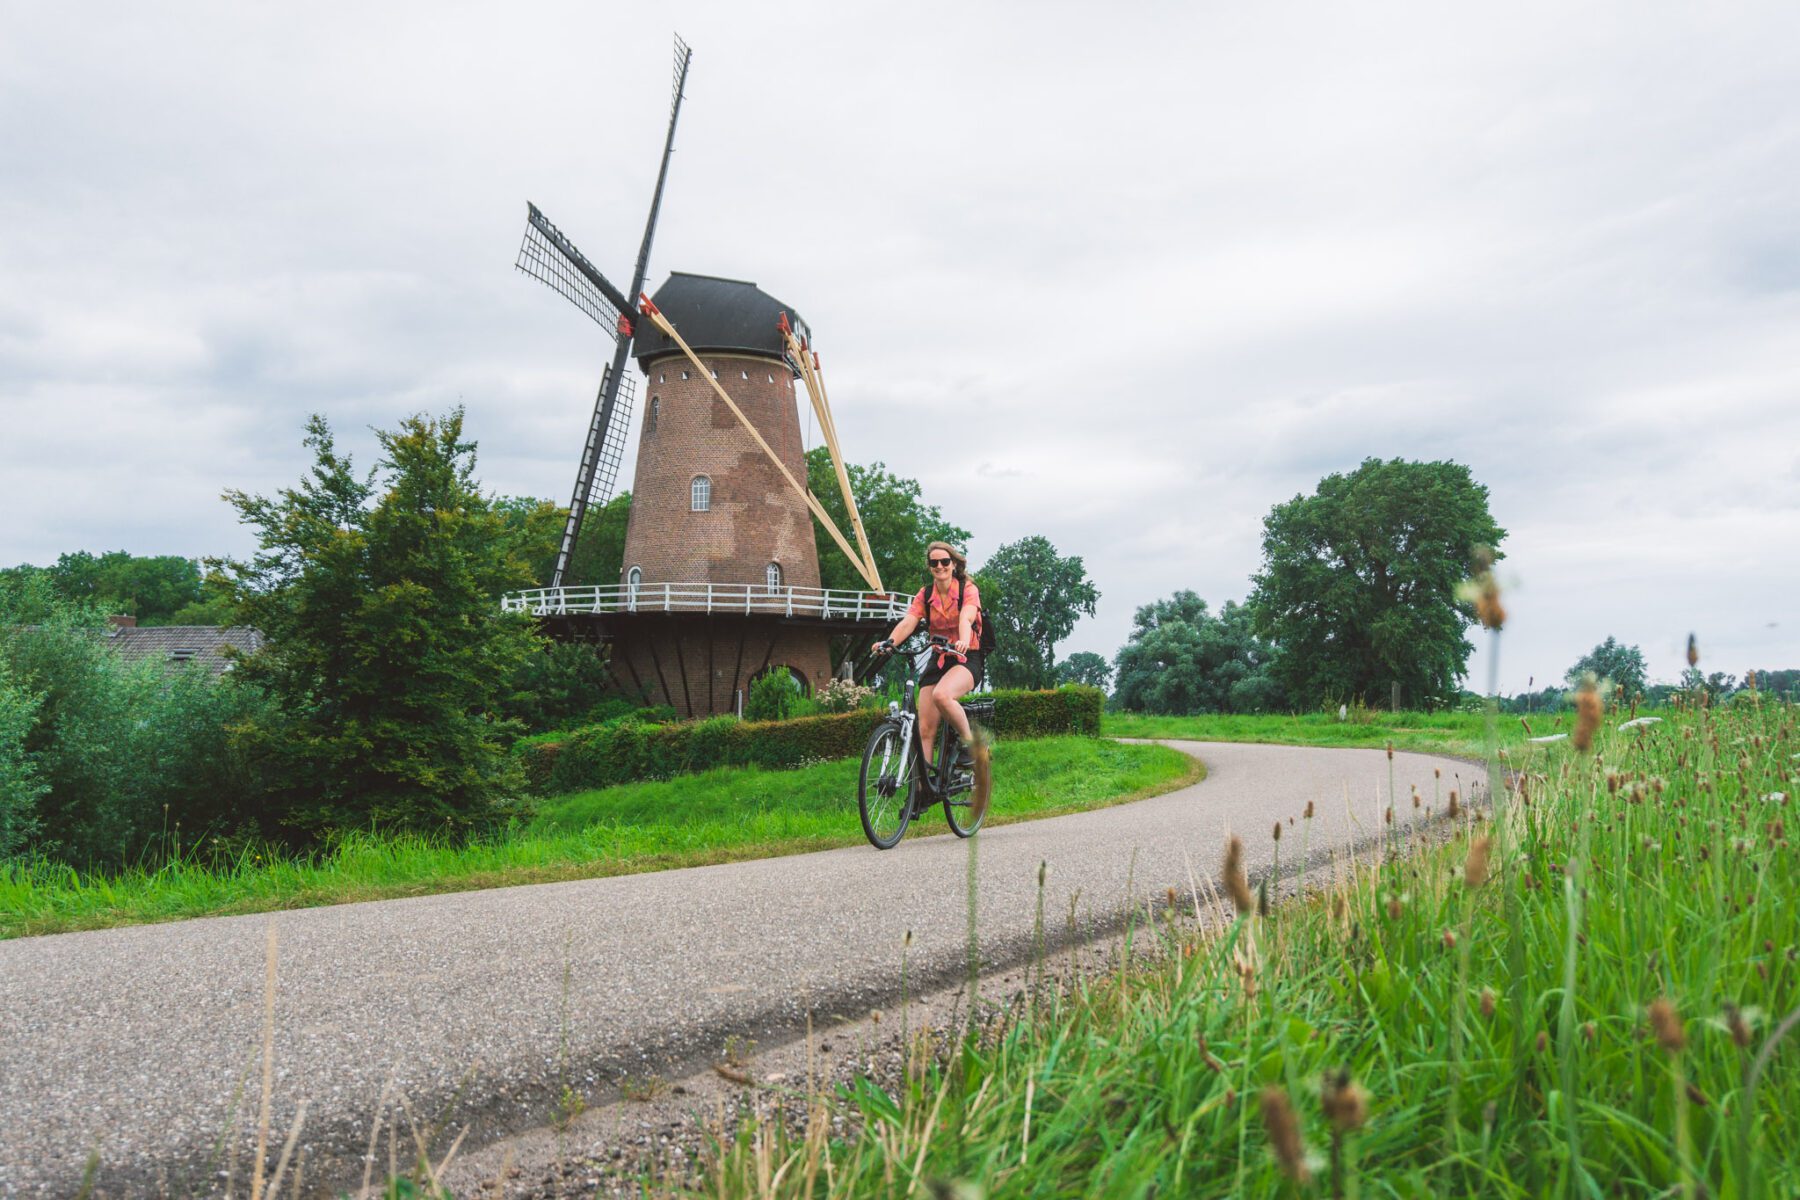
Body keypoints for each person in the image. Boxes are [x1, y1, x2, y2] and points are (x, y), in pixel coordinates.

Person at [873, 540, 984, 773]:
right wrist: (890, 643)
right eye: (934, 562)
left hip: (966, 655)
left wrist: (963, 640)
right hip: (939, 657)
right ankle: (924, 792)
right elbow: (909, 622)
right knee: (924, 729)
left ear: (953, 564)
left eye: (945, 561)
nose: (940, 566)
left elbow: (967, 617)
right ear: (929, 566)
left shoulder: (968, 590)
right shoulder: (925, 595)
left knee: (942, 695)